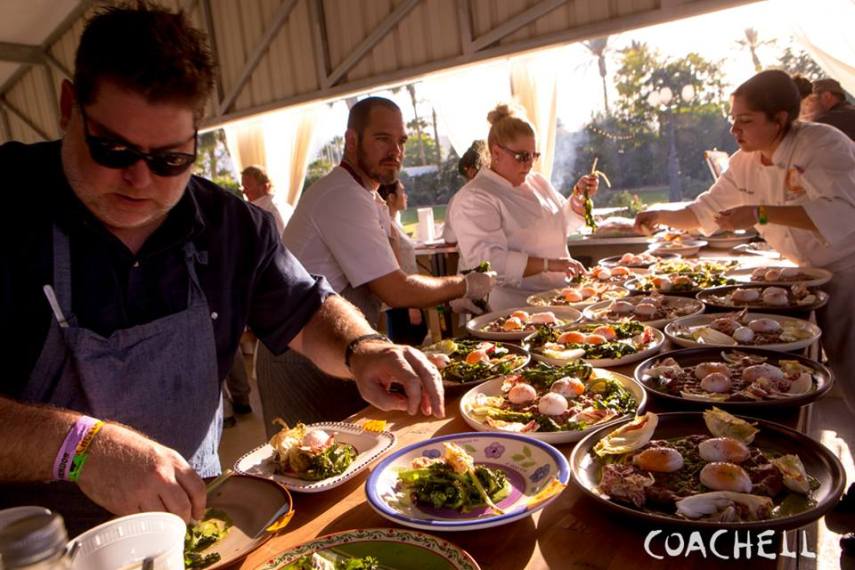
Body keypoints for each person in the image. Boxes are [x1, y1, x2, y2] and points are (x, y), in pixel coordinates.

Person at [0, 4, 444, 536]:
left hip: (198, 522)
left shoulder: (228, 225)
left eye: (169, 160)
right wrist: (80, 449)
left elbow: (306, 308)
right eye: (113, 150)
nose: (140, 180)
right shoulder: (9, 207)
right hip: (35, 543)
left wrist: (363, 349)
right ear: (69, 107)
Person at [257, 97, 495, 434]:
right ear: (351, 141)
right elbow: (395, 289)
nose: (395, 151)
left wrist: (453, 290)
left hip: (338, 344)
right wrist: (466, 284)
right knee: (312, 463)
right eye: (382, 139)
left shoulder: (367, 196)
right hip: (301, 356)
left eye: (401, 141)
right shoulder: (341, 195)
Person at [634, 70, 855, 414]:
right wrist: (660, 215)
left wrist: (760, 213)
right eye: (733, 119)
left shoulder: (822, 143)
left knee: (851, 364)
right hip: (810, 274)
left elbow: (840, 214)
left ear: (779, 119)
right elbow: (706, 210)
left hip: (849, 267)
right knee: (842, 362)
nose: (734, 130)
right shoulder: (744, 162)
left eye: (745, 120)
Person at [446, 104, 597, 310]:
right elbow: (489, 263)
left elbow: (562, 225)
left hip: (561, 297)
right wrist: (552, 264)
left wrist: (578, 199)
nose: (529, 164)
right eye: (522, 156)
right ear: (496, 152)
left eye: (534, 156)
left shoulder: (538, 182)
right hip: (517, 309)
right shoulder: (475, 197)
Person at [378, 180, 428, 346]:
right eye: (402, 191)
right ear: (391, 197)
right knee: (408, 343)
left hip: (407, 298)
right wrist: (411, 306)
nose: (406, 195)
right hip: (403, 301)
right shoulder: (389, 227)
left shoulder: (393, 222)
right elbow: (397, 268)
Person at [442, 140, 485, 244]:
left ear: (471, 171)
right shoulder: (508, 193)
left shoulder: (458, 200)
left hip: (476, 259)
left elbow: (449, 240)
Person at [241, 165, 294, 237]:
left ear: (264, 186)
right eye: (243, 187)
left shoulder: (272, 210)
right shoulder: (281, 205)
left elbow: (282, 242)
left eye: (248, 186)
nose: (244, 191)